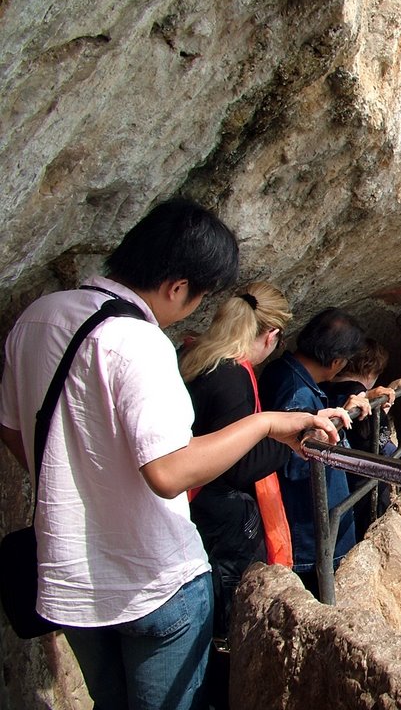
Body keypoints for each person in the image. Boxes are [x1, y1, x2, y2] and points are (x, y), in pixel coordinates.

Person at [0, 199, 343, 710]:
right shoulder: (139, 341)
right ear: (177, 286)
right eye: (196, 296)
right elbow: (168, 471)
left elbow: (13, 431)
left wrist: (81, 486)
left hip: (70, 576)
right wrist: (268, 423)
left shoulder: (38, 318)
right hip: (152, 581)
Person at [178, 281, 296, 709]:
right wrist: (288, 440)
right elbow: (240, 463)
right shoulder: (231, 377)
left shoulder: (193, 356)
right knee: (225, 623)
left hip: (191, 510)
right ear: (271, 336)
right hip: (219, 521)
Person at [259, 308, 372, 597]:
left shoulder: (282, 371)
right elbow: (296, 463)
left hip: (312, 527)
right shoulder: (296, 393)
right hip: (310, 531)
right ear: (335, 361)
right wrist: (332, 430)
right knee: (324, 599)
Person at [321, 339, 401, 538]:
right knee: (372, 514)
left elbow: (373, 406)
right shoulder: (355, 390)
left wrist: (394, 387)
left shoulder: (327, 387)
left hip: (345, 471)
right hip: (367, 471)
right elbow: (363, 399)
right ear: (369, 372)